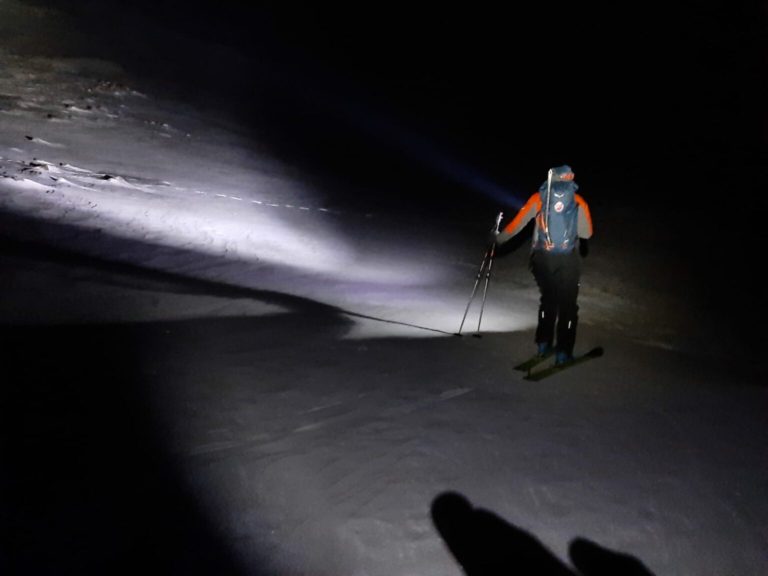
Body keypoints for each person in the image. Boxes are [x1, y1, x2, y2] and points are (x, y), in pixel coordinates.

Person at [492, 164, 593, 365]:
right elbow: (586, 233)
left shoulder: (538, 198)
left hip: (542, 258)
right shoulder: (578, 201)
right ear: (569, 179)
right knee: (568, 306)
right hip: (568, 260)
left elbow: (516, 226)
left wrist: (497, 240)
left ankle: (543, 344)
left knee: (548, 300)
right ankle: (563, 352)